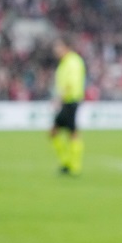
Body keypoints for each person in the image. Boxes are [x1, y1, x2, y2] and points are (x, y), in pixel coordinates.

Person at [49, 37, 86, 176]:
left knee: (70, 133)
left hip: (70, 101)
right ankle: (67, 163)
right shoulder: (66, 62)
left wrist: (59, 98)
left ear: (66, 47)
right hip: (68, 101)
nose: (56, 50)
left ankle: (72, 165)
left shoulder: (73, 62)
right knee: (64, 132)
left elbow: (71, 83)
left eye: (58, 46)